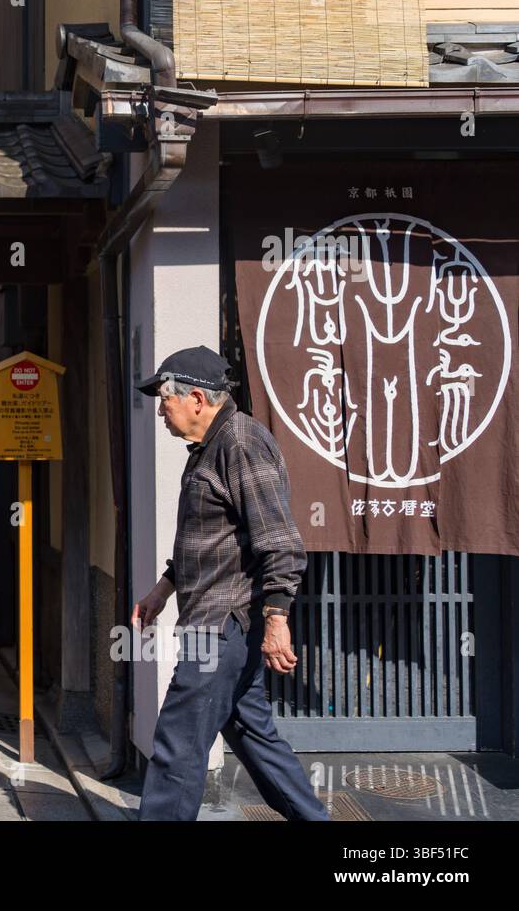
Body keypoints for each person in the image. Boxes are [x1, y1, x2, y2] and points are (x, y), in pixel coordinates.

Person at [133, 345, 328, 821]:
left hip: (224, 626)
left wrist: (278, 617)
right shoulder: (207, 448)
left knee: (178, 745)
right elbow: (209, 539)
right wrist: (163, 589)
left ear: (197, 398)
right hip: (218, 625)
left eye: (165, 398)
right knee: (254, 735)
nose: (160, 408)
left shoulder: (241, 443)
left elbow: (279, 540)